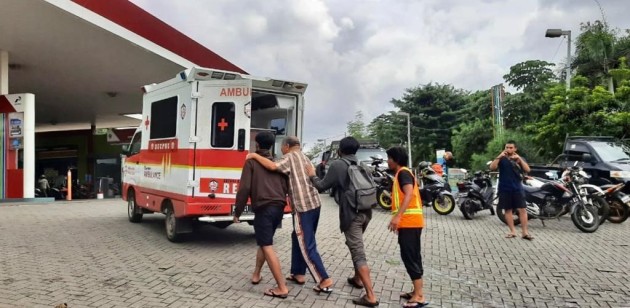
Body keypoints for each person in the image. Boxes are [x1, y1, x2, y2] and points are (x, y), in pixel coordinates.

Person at [247, 136, 334, 293]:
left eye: (282, 147)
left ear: (287, 146)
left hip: (303, 206)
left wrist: (254, 155)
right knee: (297, 237)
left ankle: (324, 279)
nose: (281, 150)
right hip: (315, 204)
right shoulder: (305, 157)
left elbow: (273, 167)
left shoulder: (289, 158)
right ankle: (298, 273)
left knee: (307, 244)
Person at [307, 137, 379, 307]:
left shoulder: (338, 164)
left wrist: (312, 175)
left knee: (357, 251)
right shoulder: (362, 165)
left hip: (352, 214)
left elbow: (322, 186)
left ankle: (370, 296)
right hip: (366, 212)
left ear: (340, 150)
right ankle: (357, 278)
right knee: (354, 244)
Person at [233, 131, 290, 298]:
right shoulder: (278, 163)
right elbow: (286, 186)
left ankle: (281, 287)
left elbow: (244, 189)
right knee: (264, 242)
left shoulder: (252, 162)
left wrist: (237, 212)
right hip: (278, 207)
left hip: (264, 208)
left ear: (257, 145)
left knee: (267, 245)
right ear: (272, 145)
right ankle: (256, 273)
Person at [386, 146, 428, 308]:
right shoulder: (403, 173)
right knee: (413, 256)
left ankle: (419, 296)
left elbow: (409, 193)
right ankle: (416, 290)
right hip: (411, 222)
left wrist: (397, 217)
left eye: (389, 158)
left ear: (396, 159)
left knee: (410, 256)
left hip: (409, 222)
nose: (387, 161)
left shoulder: (403, 173)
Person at [489, 140, 532, 240]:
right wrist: (499, 156)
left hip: (517, 187)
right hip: (504, 187)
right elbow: (492, 167)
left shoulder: (519, 158)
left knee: (523, 209)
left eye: (511, 147)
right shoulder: (501, 158)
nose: (508, 149)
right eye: (507, 147)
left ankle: (525, 232)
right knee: (508, 210)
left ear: (515, 149)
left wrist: (520, 160)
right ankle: (512, 231)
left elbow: (527, 170)